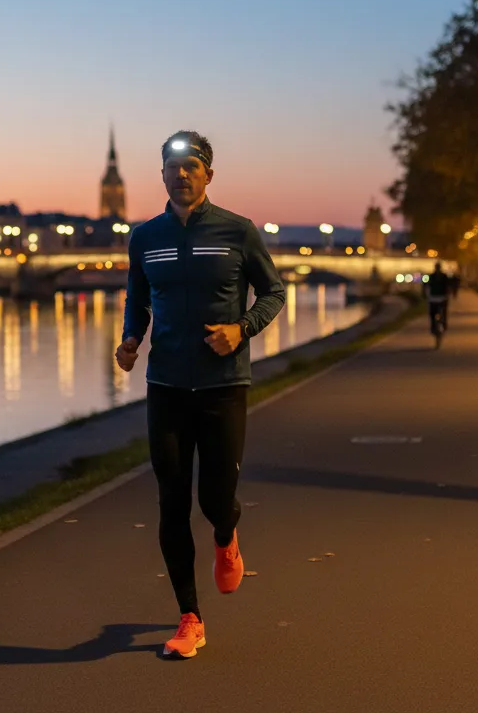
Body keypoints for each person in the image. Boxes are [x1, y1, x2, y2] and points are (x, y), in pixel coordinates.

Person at [115, 130, 285, 659]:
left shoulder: (237, 231)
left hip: (223, 385)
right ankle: (190, 616)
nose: (181, 173)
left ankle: (226, 533)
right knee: (171, 500)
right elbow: (137, 299)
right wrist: (129, 339)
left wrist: (243, 328)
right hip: (165, 386)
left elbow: (274, 291)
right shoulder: (145, 237)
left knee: (213, 499)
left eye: (192, 165)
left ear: (208, 174)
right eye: (172, 165)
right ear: (162, 175)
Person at [424, 262, 451, 331]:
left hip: (437, 297)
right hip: (438, 297)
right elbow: (448, 286)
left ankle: (438, 325)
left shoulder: (432, 276)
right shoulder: (442, 276)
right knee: (437, 313)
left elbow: (426, 285)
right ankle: (440, 325)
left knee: (436, 313)